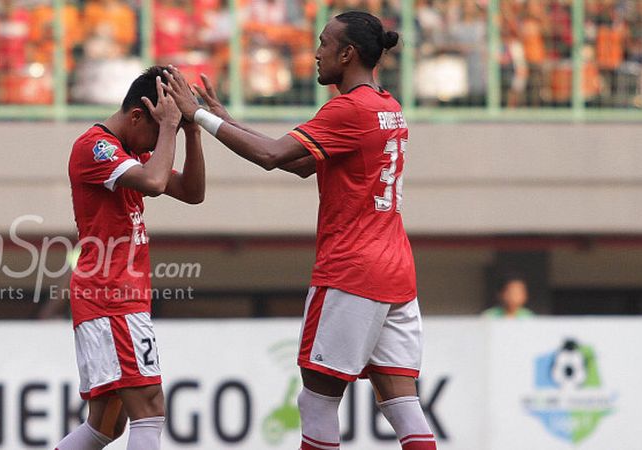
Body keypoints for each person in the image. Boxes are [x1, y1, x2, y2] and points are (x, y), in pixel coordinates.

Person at [162, 11, 437, 450]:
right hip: (396, 271)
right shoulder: (387, 107)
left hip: (351, 272)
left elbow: (272, 156)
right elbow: (301, 164)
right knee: (403, 405)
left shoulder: (348, 109)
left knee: (317, 402)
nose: (316, 51)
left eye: (325, 42)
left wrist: (197, 116)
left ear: (347, 54)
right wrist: (224, 120)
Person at [54, 66, 205, 450]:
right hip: (111, 295)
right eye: (156, 131)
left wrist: (190, 129)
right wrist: (170, 126)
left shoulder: (130, 151)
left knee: (106, 426)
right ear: (138, 115)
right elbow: (155, 183)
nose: (157, 145)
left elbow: (192, 191)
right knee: (151, 409)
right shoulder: (95, 147)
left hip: (117, 296)